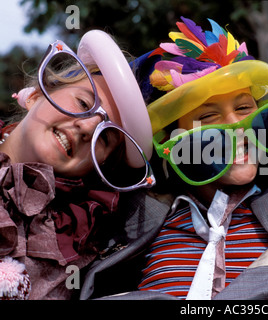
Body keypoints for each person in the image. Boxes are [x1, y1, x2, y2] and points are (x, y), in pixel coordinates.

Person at [80, 17, 268, 300]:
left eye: (245, 108)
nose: (237, 126)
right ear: (169, 141)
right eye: (209, 117)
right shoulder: (132, 214)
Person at [0, 30, 155, 299]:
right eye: (83, 102)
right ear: (37, 94)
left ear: (97, 166)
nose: (86, 127)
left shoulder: (77, 242)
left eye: (105, 136)